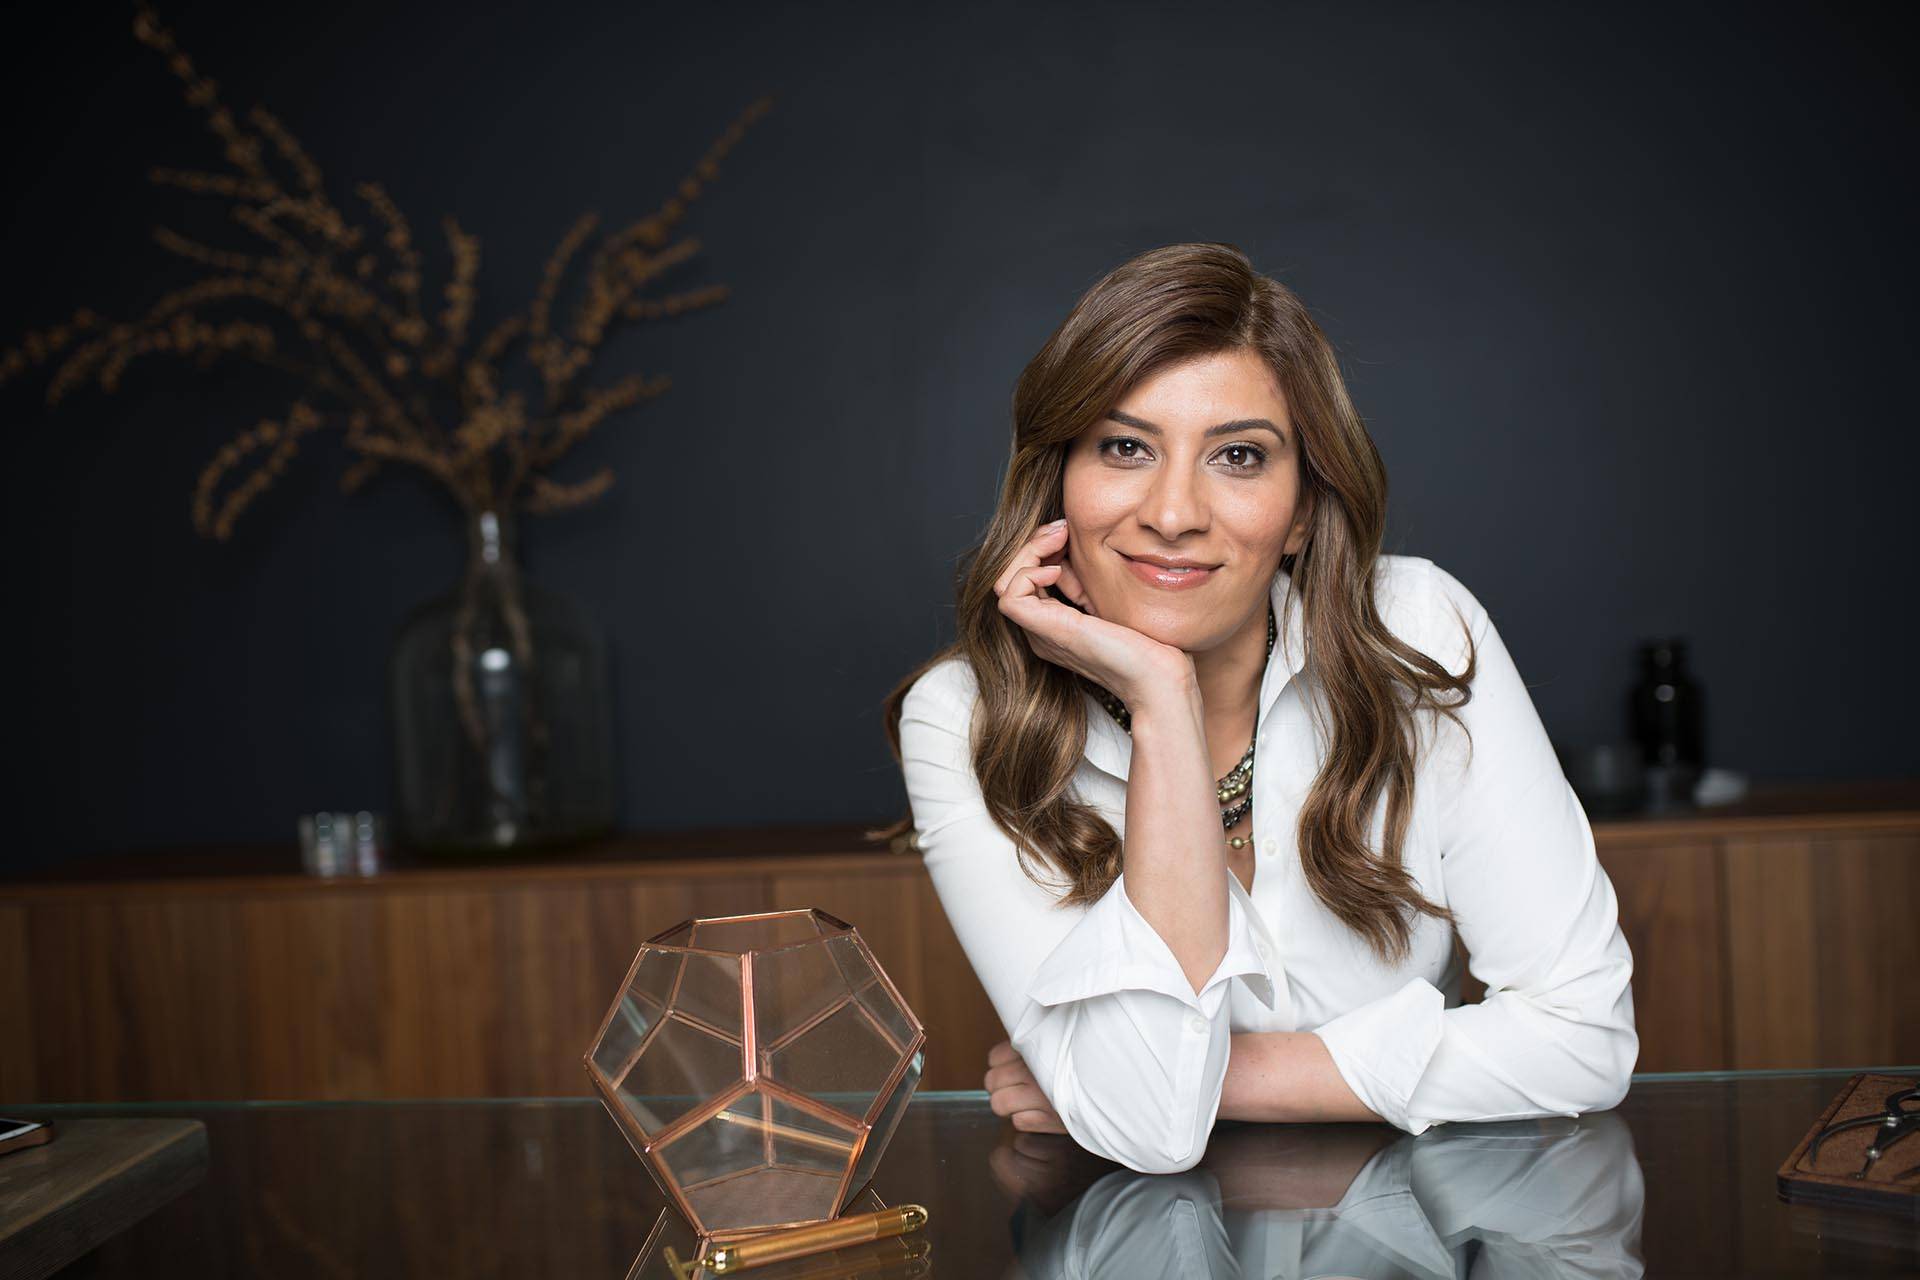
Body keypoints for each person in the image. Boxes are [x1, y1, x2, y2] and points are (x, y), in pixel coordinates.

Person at [874, 242, 1637, 1175]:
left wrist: (1214, 1080)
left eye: (1238, 456)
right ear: (1057, 479)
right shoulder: (962, 717)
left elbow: (1584, 1039)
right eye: (1125, 448)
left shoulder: (1417, 628)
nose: (1173, 511)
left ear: (1305, 511)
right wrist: (1161, 698)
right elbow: (1153, 1135)